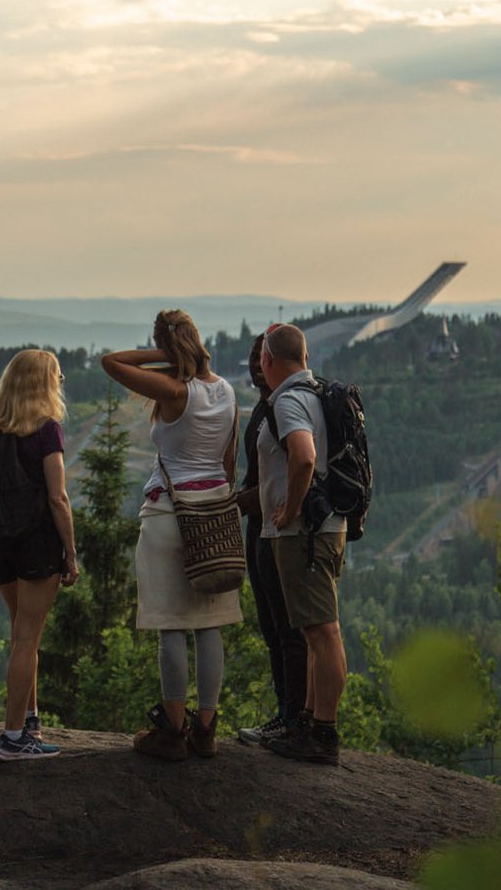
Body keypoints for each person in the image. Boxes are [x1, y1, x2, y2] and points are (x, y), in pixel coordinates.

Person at [102, 310, 241, 761]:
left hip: (168, 512)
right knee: (209, 625)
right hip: (215, 515)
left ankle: (173, 730)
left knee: (171, 626)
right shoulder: (226, 391)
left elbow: (112, 362)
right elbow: (229, 462)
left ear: (166, 346)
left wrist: (160, 355)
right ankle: (206, 729)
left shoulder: (175, 391)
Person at [0, 349, 78, 761]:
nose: (62, 379)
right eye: (57, 374)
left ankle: (29, 719)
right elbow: (58, 497)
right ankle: (14, 736)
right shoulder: (46, 429)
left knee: (21, 635)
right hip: (36, 544)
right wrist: (70, 552)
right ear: (44, 382)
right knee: (27, 638)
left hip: (0, 544)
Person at [256, 323, 348, 765]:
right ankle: (311, 722)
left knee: (322, 631)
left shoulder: (290, 401)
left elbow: (304, 456)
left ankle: (323, 732)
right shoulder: (316, 392)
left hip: (304, 533)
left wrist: (291, 509)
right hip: (327, 526)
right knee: (315, 631)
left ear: (268, 360)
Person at [236, 334, 309, 747]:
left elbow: (298, 464)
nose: (253, 366)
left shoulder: (283, 406)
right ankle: (286, 712)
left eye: (258, 358)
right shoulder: (265, 407)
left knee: (286, 627)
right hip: (260, 528)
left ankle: (292, 716)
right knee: (271, 624)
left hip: (276, 528)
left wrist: (254, 502)